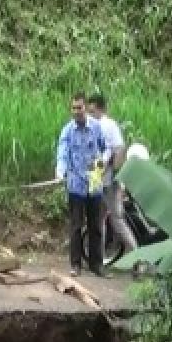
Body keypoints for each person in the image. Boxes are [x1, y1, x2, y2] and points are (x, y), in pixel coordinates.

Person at [56, 92, 110, 276]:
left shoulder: (96, 128)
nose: (76, 111)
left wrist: (101, 164)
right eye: (74, 108)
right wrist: (60, 171)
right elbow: (62, 154)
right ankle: (75, 265)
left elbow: (106, 148)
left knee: (96, 226)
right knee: (76, 226)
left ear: (85, 108)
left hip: (94, 182)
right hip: (75, 184)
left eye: (80, 107)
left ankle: (97, 265)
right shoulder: (67, 131)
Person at [87, 93, 137, 260]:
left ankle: (137, 255)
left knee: (116, 218)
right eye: (90, 111)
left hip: (110, 181)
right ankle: (98, 257)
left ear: (102, 109)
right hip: (97, 179)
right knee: (98, 218)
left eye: (94, 111)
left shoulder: (109, 125)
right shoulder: (92, 125)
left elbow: (120, 149)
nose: (91, 114)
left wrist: (115, 171)